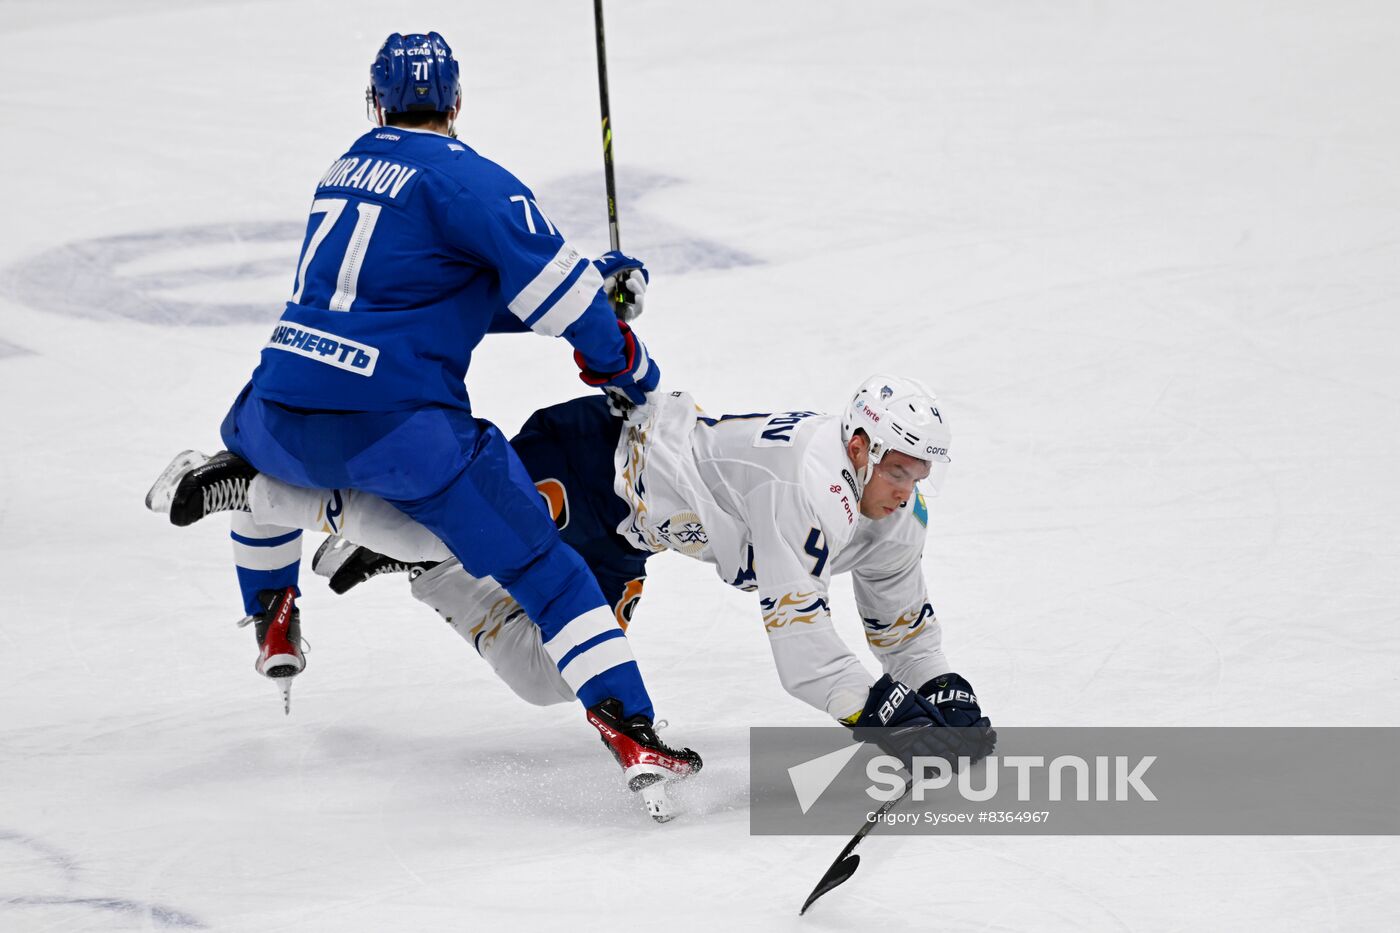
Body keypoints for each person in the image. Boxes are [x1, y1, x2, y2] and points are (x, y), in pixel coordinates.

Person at [144, 31, 699, 820]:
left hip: (275, 409)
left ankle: (273, 612)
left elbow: (424, 296)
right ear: (458, 102)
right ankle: (633, 732)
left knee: (261, 471)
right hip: (394, 433)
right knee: (548, 570)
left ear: (374, 102)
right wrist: (628, 359)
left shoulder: (342, 170)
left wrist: (585, 280)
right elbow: (566, 308)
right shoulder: (474, 183)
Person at [159, 375, 997, 767]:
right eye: (900, 468)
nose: (909, 488)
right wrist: (889, 715)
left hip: (632, 529)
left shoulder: (890, 513)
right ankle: (261, 487)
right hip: (595, 457)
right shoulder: (804, 484)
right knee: (437, 527)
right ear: (858, 447)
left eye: (921, 474)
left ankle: (429, 566)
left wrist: (945, 690)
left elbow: (902, 628)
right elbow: (804, 649)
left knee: (550, 678)